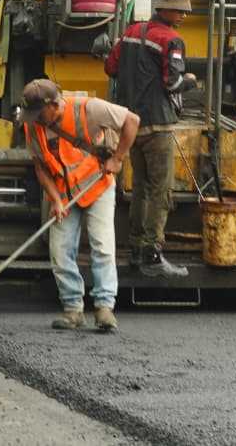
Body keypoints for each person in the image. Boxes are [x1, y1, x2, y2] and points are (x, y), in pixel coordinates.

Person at [18, 78, 139, 333]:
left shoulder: (88, 109)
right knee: (60, 251)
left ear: (53, 104)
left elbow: (132, 121)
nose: (35, 119)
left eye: (39, 113)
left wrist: (118, 158)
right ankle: (73, 309)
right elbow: (40, 167)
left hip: (97, 185)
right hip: (64, 192)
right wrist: (56, 199)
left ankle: (104, 307)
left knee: (102, 246)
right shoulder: (33, 126)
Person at [105, 0, 197, 278]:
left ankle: (135, 249)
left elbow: (110, 67)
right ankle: (153, 253)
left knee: (141, 188)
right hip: (158, 125)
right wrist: (192, 81)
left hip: (131, 125)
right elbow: (172, 82)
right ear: (165, 9)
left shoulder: (131, 33)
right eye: (180, 10)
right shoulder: (172, 40)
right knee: (160, 190)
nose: (183, 16)